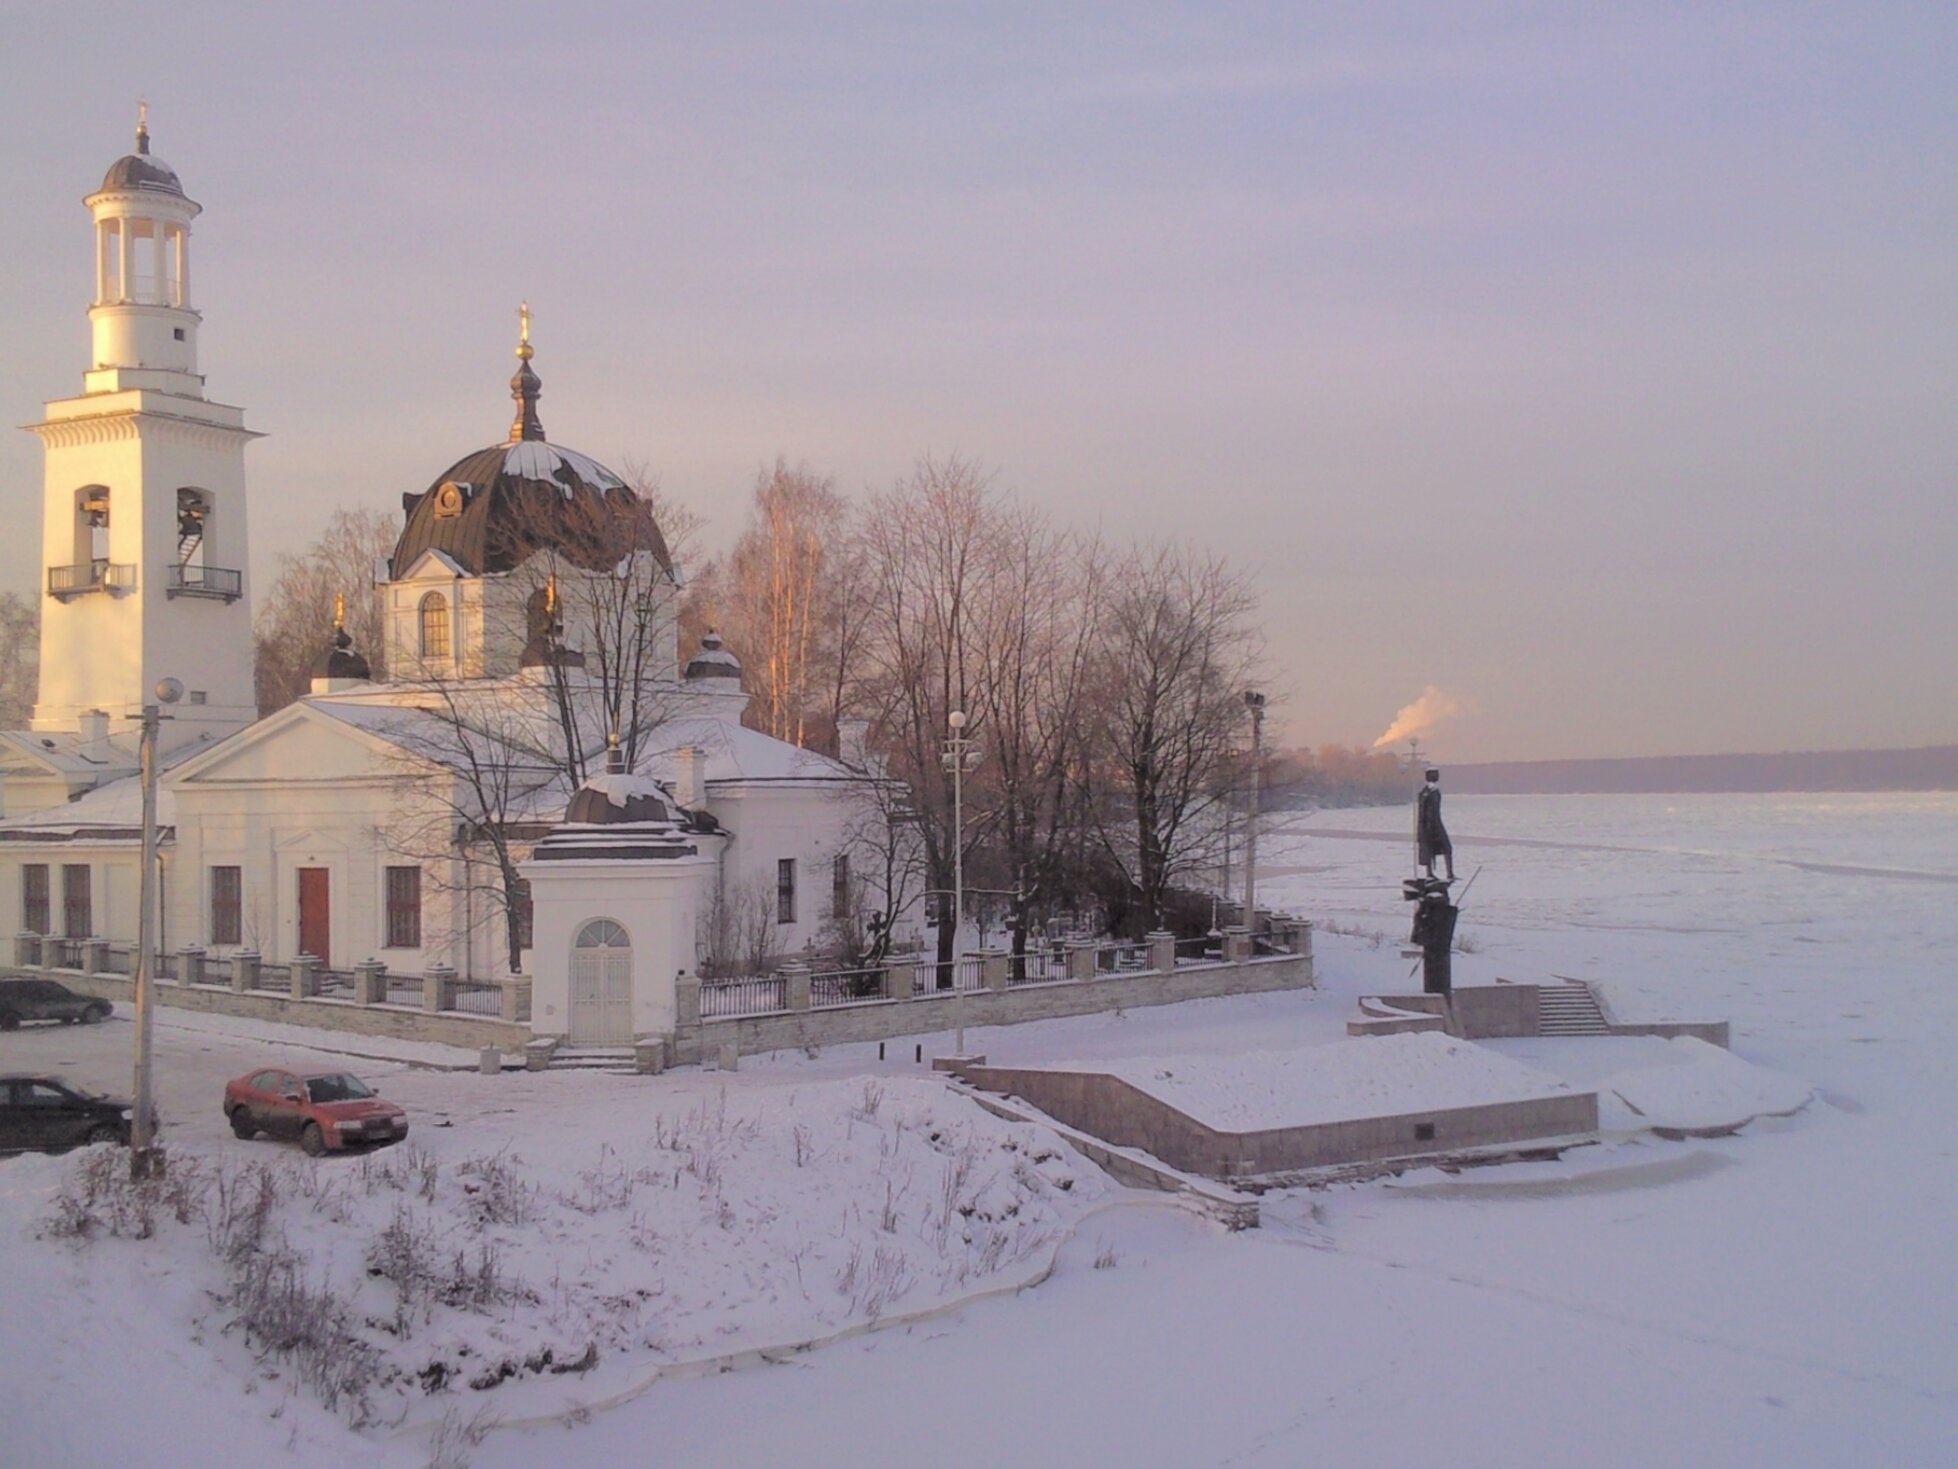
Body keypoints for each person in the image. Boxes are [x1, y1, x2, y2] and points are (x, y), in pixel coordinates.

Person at [1416, 767, 1454, 881]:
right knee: (1445, 848)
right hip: (1432, 826)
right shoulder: (1429, 793)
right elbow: (1427, 812)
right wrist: (1429, 827)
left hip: (1431, 825)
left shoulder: (1427, 792)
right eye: (1435, 774)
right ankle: (1446, 874)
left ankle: (1437, 873)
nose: (1438, 776)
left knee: (1436, 849)